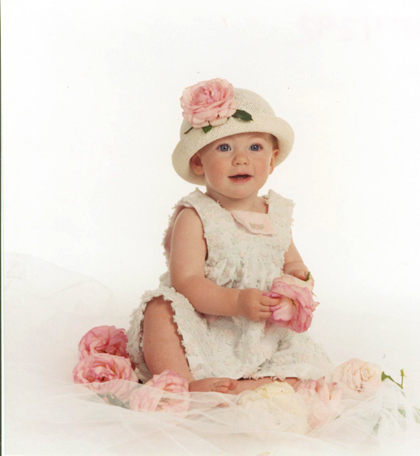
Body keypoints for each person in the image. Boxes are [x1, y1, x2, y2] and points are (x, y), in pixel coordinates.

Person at [127, 78, 333, 394]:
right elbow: (187, 281)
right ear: (198, 162)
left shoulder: (276, 213)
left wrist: (298, 283)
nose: (241, 159)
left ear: (272, 159)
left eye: (255, 147)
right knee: (160, 309)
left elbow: (293, 262)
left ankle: (254, 386)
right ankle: (185, 384)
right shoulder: (196, 215)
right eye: (224, 148)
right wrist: (235, 301)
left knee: (312, 370)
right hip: (206, 325)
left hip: (262, 331)